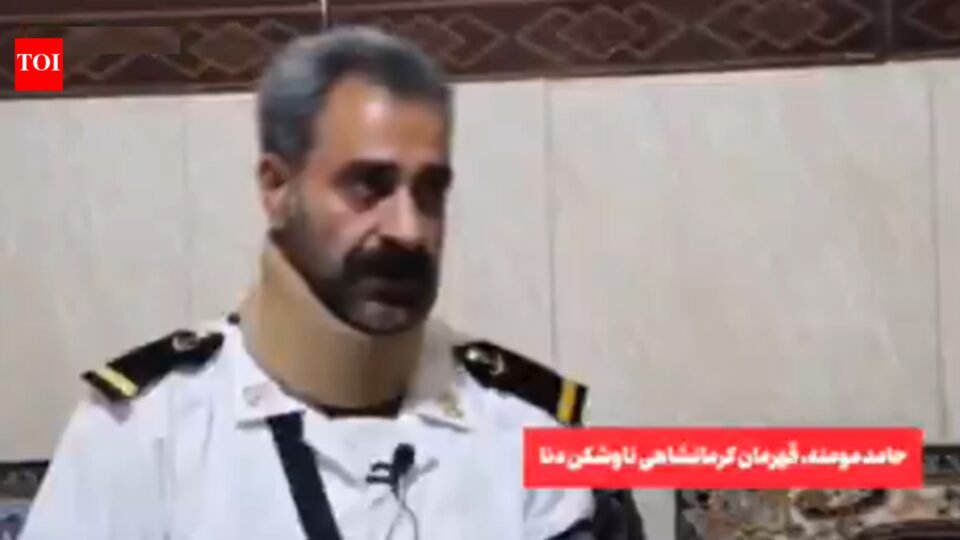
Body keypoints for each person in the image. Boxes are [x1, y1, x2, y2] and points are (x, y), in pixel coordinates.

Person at [20, 26, 644, 540]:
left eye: (429, 192)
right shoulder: (140, 436)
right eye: (368, 186)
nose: (408, 230)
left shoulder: (532, 432)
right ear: (276, 188)